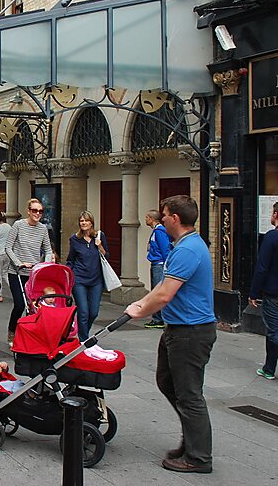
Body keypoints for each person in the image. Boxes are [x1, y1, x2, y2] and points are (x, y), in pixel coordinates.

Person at [124, 195, 216, 474]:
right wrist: (142, 303)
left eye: (164, 215)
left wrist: (137, 312)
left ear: (175, 218)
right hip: (178, 329)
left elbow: (165, 294)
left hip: (191, 332)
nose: (161, 219)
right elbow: (163, 285)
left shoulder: (188, 249)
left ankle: (198, 457)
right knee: (167, 382)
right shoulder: (182, 246)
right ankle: (191, 440)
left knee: (189, 395)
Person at [5, 198, 53, 344]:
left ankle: (28, 335)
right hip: (17, 272)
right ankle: (12, 331)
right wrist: (19, 263)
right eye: (34, 210)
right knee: (20, 304)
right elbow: (8, 247)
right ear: (28, 211)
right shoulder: (18, 225)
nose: (37, 213)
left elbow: (48, 249)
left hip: (34, 274)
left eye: (40, 211)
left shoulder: (43, 228)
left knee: (32, 306)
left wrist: (47, 262)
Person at [65, 211, 109, 342]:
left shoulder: (100, 236)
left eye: (86, 221)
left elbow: (106, 256)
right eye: (81, 221)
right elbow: (70, 259)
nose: (83, 223)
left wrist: (99, 245)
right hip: (79, 280)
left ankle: (83, 331)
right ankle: (84, 340)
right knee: (83, 312)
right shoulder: (75, 239)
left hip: (96, 280)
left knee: (93, 312)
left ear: (91, 223)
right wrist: (70, 274)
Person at [249, 201, 278, 381]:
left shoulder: (272, 237)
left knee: (274, 331)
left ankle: (269, 369)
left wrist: (254, 292)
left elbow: (262, 268)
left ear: (275, 214)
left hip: (273, 293)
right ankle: (268, 367)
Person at [144, 209, 172, 329]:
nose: (145, 219)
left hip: (159, 264)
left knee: (157, 290)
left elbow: (165, 248)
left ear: (151, 218)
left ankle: (158, 319)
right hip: (156, 263)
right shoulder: (156, 231)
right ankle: (158, 317)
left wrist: (166, 265)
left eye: (146, 217)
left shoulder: (159, 232)